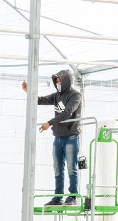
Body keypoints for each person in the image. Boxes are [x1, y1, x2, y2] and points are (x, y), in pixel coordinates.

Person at [24, 69, 84, 207]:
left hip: (71, 138)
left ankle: (72, 197)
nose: (57, 83)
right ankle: (58, 197)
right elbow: (40, 100)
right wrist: (28, 92)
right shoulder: (57, 95)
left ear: (66, 81)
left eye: (59, 80)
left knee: (71, 168)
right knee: (58, 168)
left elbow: (68, 113)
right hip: (58, 138)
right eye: (56, 81)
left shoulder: (75, 96)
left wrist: (49, 123)